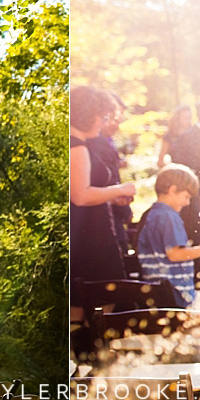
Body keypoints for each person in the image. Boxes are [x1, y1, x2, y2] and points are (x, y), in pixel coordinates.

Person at [69, 87, 136, 312]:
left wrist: (109, 199)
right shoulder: (75, 146)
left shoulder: (81, 144)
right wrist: (119, 190)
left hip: (93, 230)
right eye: (102, 116)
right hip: (88, 238)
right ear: (89, 115)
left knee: (92, 304)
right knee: (99, 302)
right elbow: (80, 196)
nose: (103, 122)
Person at [137, 166, 200, 307]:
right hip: (175, 294)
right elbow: (174, 254)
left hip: (158, 292)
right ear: (172, 190)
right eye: (186, 197)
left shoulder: (153, 215)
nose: (187, 203)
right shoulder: (170, 217)